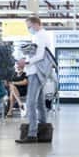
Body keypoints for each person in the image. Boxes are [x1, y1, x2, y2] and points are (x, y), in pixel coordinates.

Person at [16, 16, 54, 144]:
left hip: (36, 72)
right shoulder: (40, 35)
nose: (29, 29)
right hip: (38, 72)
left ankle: (32, 134)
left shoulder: (40, 36)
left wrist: (25, 61)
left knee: (31, 102)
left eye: (29, 26)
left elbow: (39, 55)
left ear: (36, 24)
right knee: (39, 103)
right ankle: (43, 129)